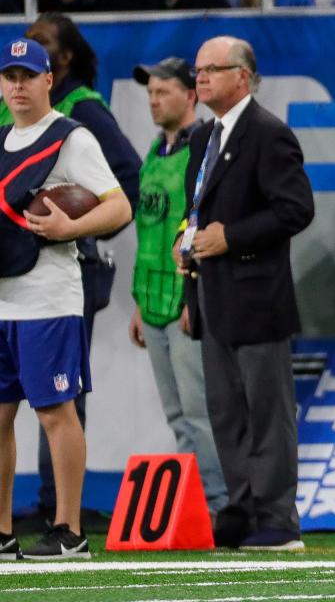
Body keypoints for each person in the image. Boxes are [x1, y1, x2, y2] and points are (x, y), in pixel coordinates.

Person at [0, 11, 142, 524]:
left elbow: (121, 204)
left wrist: (70, 230)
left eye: (26, 76)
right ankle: (2, 531)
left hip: (50, 293)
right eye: (8, 77)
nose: (17, 87)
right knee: (1, 418)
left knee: (55, 411)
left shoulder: (72, 133)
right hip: (4, 296)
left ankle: (67, 526)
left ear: (48, 79)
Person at [173, 36, 314, 550]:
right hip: (212, 295)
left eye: (214, 68)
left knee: (266, 413)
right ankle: (242, 509)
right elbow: (197, 214)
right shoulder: (201, 139)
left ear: (244, 77)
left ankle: (278, 518)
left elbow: (296, 210)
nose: (201, 77)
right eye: (198, 68)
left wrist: (229, 236)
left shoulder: (269, 134)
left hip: (258, 298)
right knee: (226, 413)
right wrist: (185, 249)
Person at [128, 56, 228, 516]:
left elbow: (200, 226)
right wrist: (137, 304)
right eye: (150, 92)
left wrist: (198, 295)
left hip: (185, 297)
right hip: (152, 300)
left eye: (163, 91)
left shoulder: (201, 149)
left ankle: (220, 504)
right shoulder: (156, 150)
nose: (153, 99)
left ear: (190, 95)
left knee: (199, 411)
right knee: (176, 414)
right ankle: (196, 508)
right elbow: (151, 232)